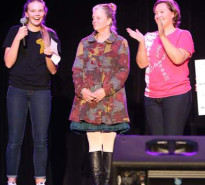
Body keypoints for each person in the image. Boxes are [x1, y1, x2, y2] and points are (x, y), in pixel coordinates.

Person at [68, 3, 130, 185]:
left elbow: (123, 71)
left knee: (108, 145)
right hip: (89, 101)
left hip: (111, 101)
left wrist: (105, 90)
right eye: (93, 17)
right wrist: (82, 91)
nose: (94, 20)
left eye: (98, 18)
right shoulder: (85, 43)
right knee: (94, 144)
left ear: (109, 21)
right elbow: (76, 70)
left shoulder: (120, 43)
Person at [2, 0, 61, 185]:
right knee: (14, 139)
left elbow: (53, 70)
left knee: (41, 140)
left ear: (45, 12)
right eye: (32, 11)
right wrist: (18, 38)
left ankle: (40, 181)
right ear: (26, 13)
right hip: (17, 90)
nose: (37, 14)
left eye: (40, 10)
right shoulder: (15, 31)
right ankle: (11, 181)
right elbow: (8, 63)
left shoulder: (50, 34)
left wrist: (49, 54)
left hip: (41, 91)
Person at [126, 0, 194, 135]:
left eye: (162, 12)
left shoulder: (183, 34)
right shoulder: (149, 37)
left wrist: (162, 36)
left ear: (173, 14)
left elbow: (178, 58)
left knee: (172, 140)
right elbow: (141, 64)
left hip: (176, 95)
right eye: (156, 13)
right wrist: (142, 42)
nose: (158, 15)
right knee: (158, 143)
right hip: (152, 97)